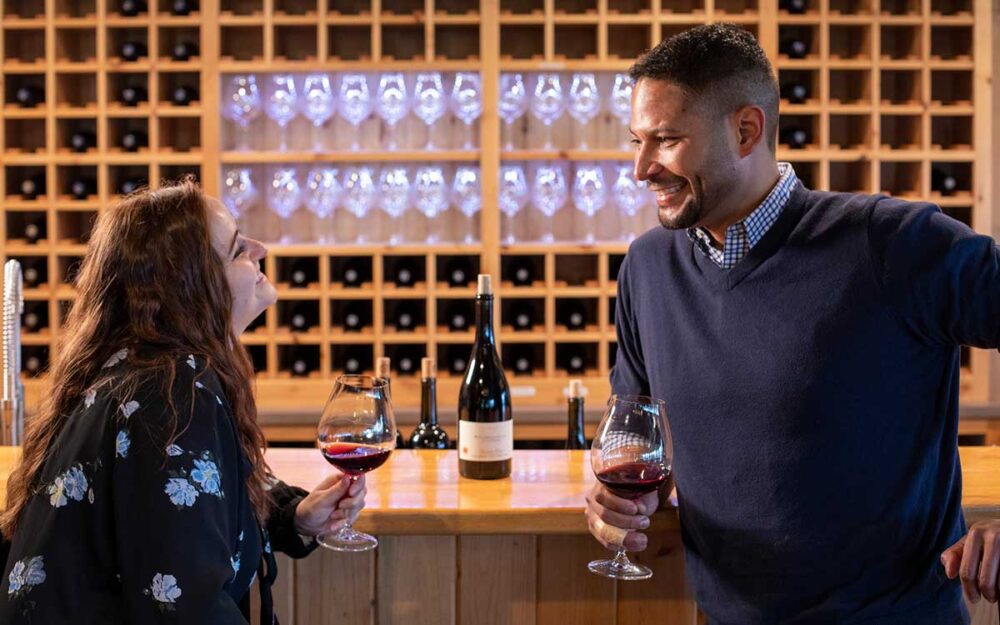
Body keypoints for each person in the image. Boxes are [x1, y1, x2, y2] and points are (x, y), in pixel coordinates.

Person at [584, 23, 1000, 624]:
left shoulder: (894, 245)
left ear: (747, 130)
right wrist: (618, 502)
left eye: (667, 140)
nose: (641, 168)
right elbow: (639, 433)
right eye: (636, 141)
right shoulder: (647, 268)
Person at [0, 178, 367, 623]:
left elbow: (176, 519)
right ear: (195, 289)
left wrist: (294, 517)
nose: (261, 249)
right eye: (236, 249)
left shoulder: (151, 372)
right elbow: (182, 605)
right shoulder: (171, 394)